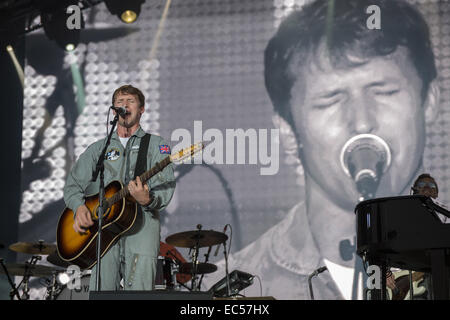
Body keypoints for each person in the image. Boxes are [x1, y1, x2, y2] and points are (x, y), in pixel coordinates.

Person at [204, 0, 440, 299]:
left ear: (429, 101)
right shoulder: (232, 290)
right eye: (330, 99)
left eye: (384, 91)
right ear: (288, 132)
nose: (362, 121)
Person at [63, 84, 176, 291]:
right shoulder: (99, 148)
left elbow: (166, 186)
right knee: (102, 293)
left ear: (141, 109)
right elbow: (72, 186)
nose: (124, 105)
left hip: (141, 228)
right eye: (119, 102)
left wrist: (148, 199)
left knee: (139, 295)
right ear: (114, 110)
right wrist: (79, 207)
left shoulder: (156, 144)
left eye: (130, 101)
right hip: (103, 234)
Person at [386, 173, 446, 300]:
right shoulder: (402, 217)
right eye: (422, 185)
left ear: (436, 193)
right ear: (413, 190)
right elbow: (389, 247)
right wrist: (386, 273)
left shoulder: (446, 214)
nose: (427, 187)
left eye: (431, 185)